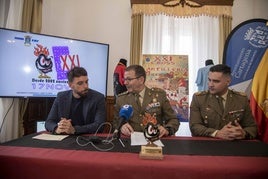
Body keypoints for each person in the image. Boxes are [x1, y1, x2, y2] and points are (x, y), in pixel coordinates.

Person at [189, 64, 257, 140]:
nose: (210, 84)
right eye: (209, 80)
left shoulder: (241, 99)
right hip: (208, 145)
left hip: (234, 145)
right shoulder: (199, 98)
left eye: (216, 81)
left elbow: (252, 128)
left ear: (228, 81)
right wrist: (217, 133)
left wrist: (243, 133)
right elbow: (194, 127)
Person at [114, 64, 179, 138]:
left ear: (141, 80)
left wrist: (167, 129)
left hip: (154, 140)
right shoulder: (121, 99)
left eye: (129, 79)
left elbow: (173, 120)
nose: (125, 83)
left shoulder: (159, 96)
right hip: (130, 141)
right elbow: (115, 122)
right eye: (124, 79)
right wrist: (121, 127)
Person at [45, 66, 106, 135]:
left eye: (86, 82)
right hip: (65, 139)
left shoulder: (98, 98)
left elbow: (100, 126)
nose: (86, 86)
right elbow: (48, 122)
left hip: (86, 139)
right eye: (80, 83)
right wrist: (57, 128)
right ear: (70, 85)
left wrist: (74, 129)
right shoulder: (61, 97)